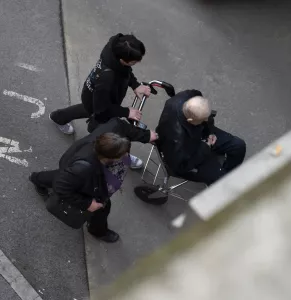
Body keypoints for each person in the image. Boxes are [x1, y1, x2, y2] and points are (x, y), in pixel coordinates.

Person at [29, 118, 158, 243]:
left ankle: (37, 178)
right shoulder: (84, 169)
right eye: (121, 155)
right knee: (101, 208)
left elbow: (122, 125)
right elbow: (61, 187)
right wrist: (87, 204)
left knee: (62, 177)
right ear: (108, 158)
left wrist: (146, 136)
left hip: (75, 171)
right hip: (90, 183)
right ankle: (98, 231)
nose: (126, 156)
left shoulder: (115, 130)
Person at [49, 33, 151, 169]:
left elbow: (125, 70)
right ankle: (121, 156)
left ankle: (58, 117)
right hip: (100, 102)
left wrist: (135, 84)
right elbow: (102, 110)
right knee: (110, 132)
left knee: (87, 108)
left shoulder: (114, 48)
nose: (136, 64)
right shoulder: (107, 77)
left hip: (94, 96)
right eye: (133, 62)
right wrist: (126, 112)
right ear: (122, 59)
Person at [156, 89, 246, 186]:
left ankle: (228, 172)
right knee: (221, 181)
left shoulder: (189, 96)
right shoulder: (175, 139)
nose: (207, 119)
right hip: (190, 155)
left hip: (200, 134)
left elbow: (207, 120)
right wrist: (206, 147)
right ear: (190, 120)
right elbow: (181, 166)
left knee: (238, 145)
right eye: (203, 119)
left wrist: (210, 132)